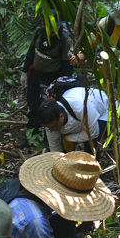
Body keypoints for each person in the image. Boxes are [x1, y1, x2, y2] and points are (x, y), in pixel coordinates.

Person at [21, 20, 74, 148]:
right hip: (36, 75)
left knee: (49, 108)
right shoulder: (39, 33)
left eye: (54, 26)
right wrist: (24, 71)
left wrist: (63, 87)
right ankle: (31, 135)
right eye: (47, 25)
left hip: (53, 78)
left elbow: (67, 67)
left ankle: (47, 138)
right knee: (33, 105)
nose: (50, 29)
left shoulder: (65, 40)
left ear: (59, 25)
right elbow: (31, 52)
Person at [39, 77, 110, 154]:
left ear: (61, 116)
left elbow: (93, 133)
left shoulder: (81, 108)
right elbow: (55, 146)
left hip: (103, 111)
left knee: (90, 144)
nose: (52, 130)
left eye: (53, 127)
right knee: (65, 145)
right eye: (49, 128)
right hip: (81, 120)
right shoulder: (51, 122)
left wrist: (70, 138)